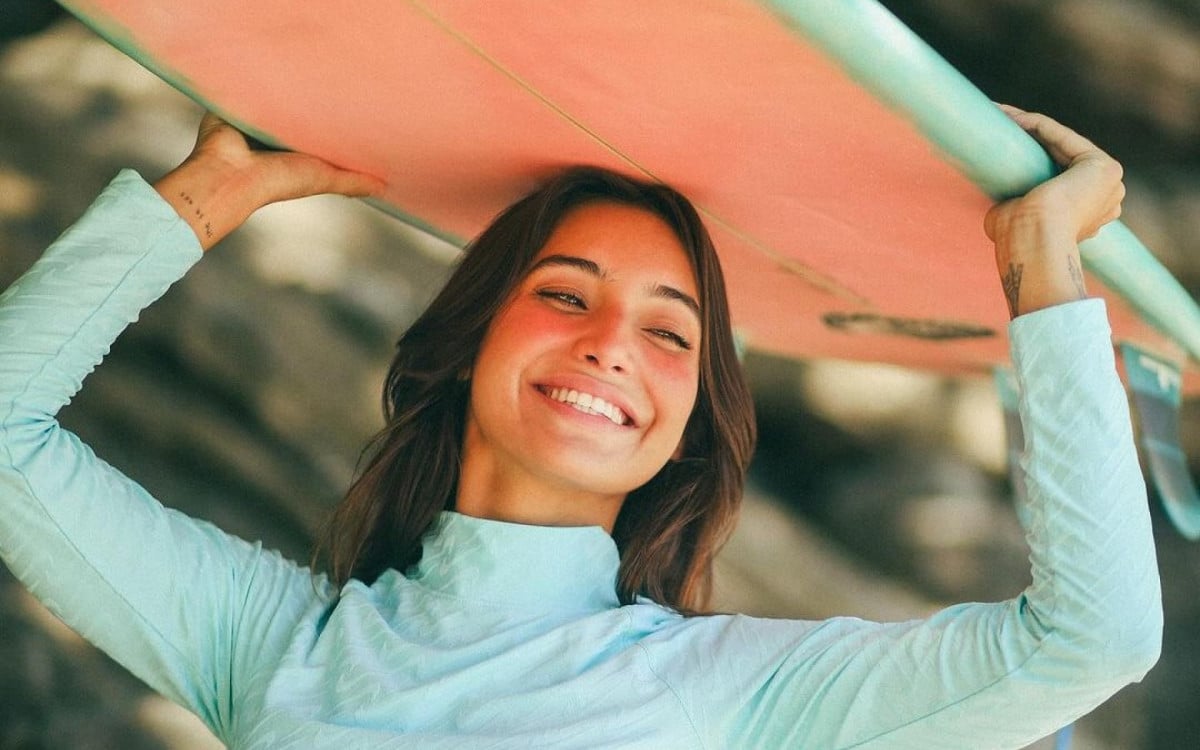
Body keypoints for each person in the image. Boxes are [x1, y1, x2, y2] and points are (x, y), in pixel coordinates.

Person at [0, 105, 1160, 748]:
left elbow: (1088, 644)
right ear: (467, 347)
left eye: (670, 334)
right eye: (563, 294)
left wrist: (1044, 268)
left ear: (685, 432)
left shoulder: (731, 695)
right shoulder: (274, 644)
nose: (609, 342)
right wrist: (206, 197)